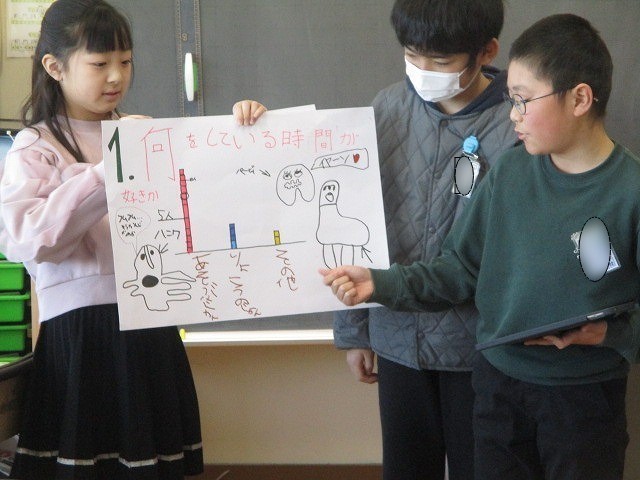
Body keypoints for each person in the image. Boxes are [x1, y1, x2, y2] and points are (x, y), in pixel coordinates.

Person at [324, 13, 640, 480]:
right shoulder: (510, 172)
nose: (512, 115)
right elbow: (459, 267)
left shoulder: (629, 190)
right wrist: (379, 284)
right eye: (511, 100)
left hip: (582, 395)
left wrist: (609, 333)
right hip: (498, 385)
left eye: (523, 101)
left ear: (579, 99)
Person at [0, 1, 266, 479]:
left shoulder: (145, 135)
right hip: (83, 335)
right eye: (99, 63)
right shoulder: (35, 147)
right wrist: (109, 169)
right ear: (55, 67)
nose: (116, 76)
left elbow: (202, 208)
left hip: (150, 324)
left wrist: (245, 133)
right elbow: (28, 240)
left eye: (125, 61)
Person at [332, 1, 515, 478]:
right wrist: (355, 331)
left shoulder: (516, 123)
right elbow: (348, 224)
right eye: (412, 55)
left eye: (441, 61)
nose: (423, 70)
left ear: (486, 51)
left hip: (478, 347)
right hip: (396, 337)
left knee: (482, 467)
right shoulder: (386, 108)